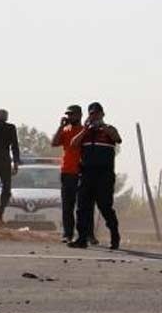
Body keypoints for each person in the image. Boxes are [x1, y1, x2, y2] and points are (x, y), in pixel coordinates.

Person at [68, 102, 122, 250]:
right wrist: (85, 129)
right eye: (92, 114)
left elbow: (117, 138)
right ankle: (82, 238)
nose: (94, 116)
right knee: (82, 207)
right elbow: (73, 144)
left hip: (104, 175)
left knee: (105, 206)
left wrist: (102, 126)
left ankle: (115, 235)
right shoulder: (86, 132)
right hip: (87, 174)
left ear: (102, 114)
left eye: (97, 114)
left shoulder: (109, 129)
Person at [50, 105, 84, 242]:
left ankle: (84, 233)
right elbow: (54, 143)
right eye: (68, 115)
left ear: (80, 115)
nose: (70, 117)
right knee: (67, 205)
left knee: (82, 206)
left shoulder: (84, 131)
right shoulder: (65, 130)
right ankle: (67, 233)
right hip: (67, 171)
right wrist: (60, 126)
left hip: (81, 172)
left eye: (72, 115)